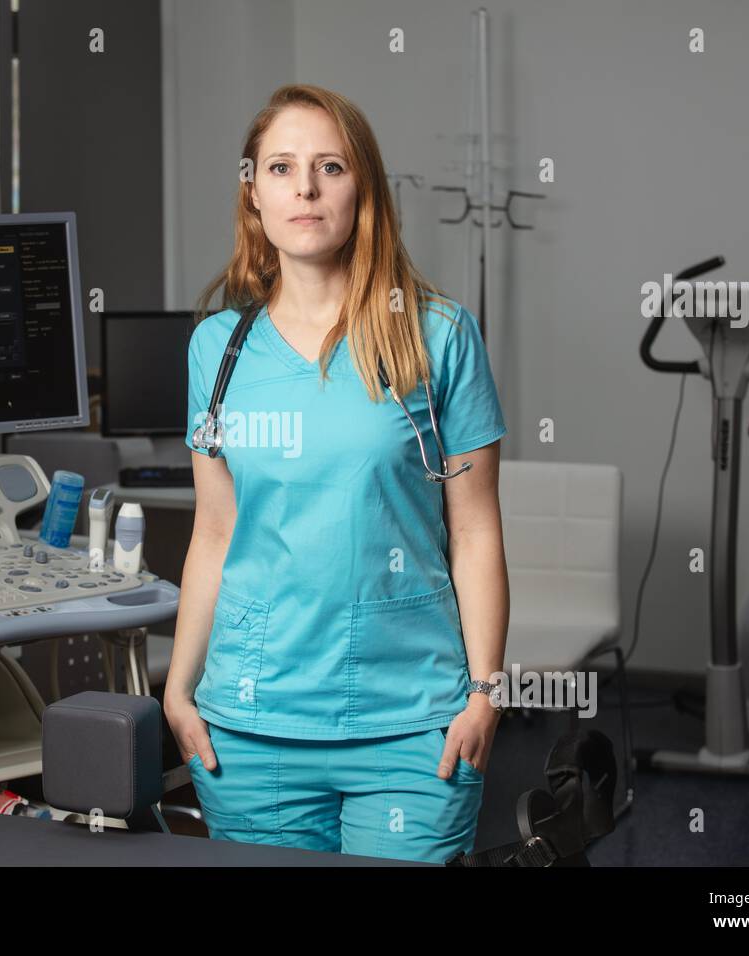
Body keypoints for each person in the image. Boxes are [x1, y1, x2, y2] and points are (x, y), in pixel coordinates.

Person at [164, 84, 509, 863]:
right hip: (252, 729)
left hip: (412, 723)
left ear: (365, 189)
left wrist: (487, 692)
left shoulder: (437, 336)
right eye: (281, 168)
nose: (306, 188)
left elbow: (475, 528)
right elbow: (215, 530)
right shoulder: (217, 349)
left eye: (329, 166)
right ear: (254, 194)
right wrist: (178, 692)